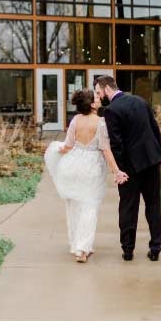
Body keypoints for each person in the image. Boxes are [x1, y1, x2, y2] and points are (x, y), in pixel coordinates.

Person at [44, 88, 128, 263]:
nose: (99, 98)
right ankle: (82, 249)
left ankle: (76, 245)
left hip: (72, 165)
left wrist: (57, 150)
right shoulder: (100, 122)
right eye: (96, 97)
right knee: (89, 207)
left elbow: (67, 146)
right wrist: (116, 170)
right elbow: (105, 150)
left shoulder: (75, 120)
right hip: (91, 168)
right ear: (91, 105)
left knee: (73, 207)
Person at [94, 75, 161, 262]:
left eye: (98, 91)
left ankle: (128, 250)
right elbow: (154, 128)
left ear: (106, 89)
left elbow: (117, 144)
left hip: (130, 168)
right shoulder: (140, 101)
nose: (98, 95)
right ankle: (155, 248)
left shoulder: (111, 110)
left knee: (128, 207)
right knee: (153, 205)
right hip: (151, 162)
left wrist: (118, 170)